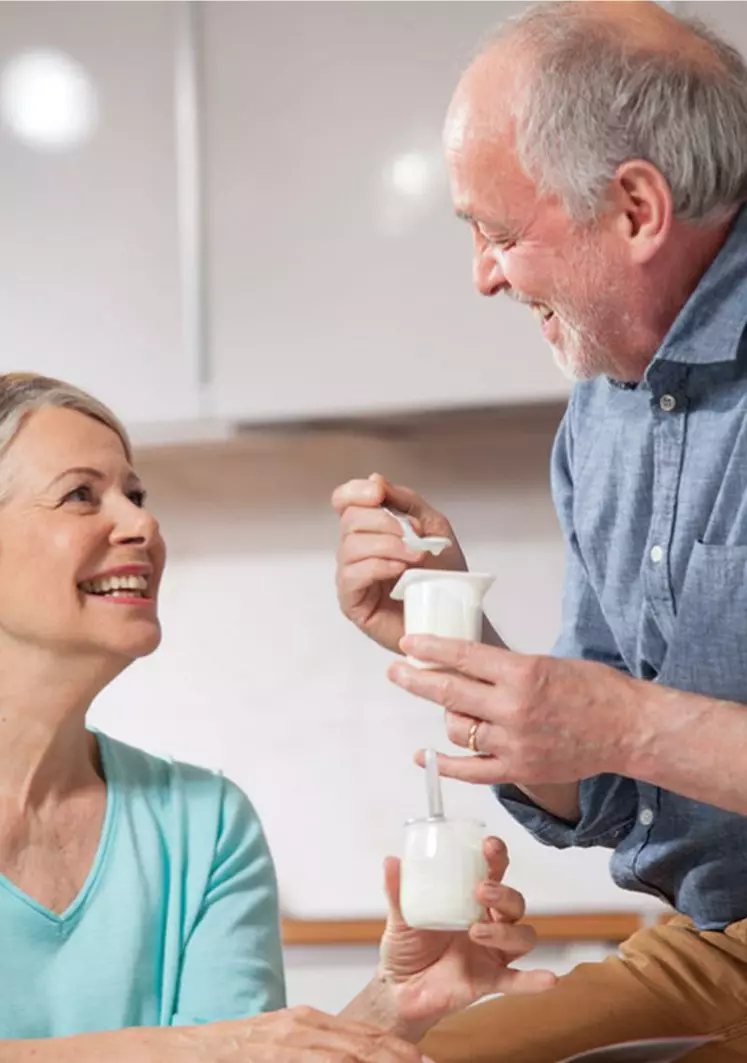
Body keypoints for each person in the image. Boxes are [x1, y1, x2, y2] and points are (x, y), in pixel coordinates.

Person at [333, 2, 747, 1060]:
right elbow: (610, 785)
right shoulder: (602, 418)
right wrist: (462, 648)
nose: (483, 275)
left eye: (501, 233)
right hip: (721, 942)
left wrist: (634, 722)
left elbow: (627, 729)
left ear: (637, 208)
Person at [0, 372, 553, 1062]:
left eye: (136, 494)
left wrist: (394, 999)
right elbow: (214, 1050)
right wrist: (190, 1048)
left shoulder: (203, 823)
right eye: (82, 494)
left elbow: (237, 1056)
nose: (142, 523)